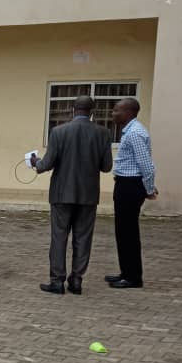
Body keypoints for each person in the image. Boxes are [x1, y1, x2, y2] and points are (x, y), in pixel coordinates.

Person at [30, 95, 112, 295]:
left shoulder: (59, 132)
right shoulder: (103, 133)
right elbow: (107, 166)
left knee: (59, 237)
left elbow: (47, 164)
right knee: (83, 238)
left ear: (72, 109)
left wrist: (36, 162)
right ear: (92, 112)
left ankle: (57, 281)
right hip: (88, 195)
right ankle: (76, 279)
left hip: (61, 194)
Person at [107, 97, 156, 289]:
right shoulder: (130, 131)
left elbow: (146, 165)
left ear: (128, 112)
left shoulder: (135, 133)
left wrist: (149, 189)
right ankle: (126, 272)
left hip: (130, 186)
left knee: (128, 232)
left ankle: (133, 278)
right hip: (126, 184)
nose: (113, 113)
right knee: (123, 231)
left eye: (116, 110)